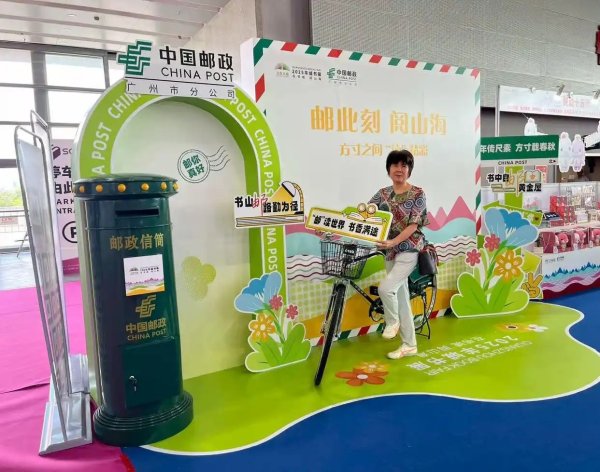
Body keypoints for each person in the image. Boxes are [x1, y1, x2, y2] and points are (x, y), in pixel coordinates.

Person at [369, 150, 429, 359]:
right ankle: (409, 345)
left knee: (386, 288)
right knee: (401, 298)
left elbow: (414, 225)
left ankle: (392, 322)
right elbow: (366, 214)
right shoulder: (382, 194)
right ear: (389, 169)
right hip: (389, 251)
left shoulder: (418, 193)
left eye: (404, 165)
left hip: (409, 248)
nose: (399, 169)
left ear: (409, 170)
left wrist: (394, 241)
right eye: (395, 165)